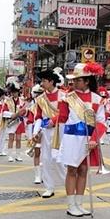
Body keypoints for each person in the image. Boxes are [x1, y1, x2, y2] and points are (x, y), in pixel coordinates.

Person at [57, 63, 106, 216]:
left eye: (78, 80)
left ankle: (79, 203)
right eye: (74, 80)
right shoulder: (67, 98)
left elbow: (101, 122)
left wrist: (94, 139)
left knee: (83, 170)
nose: (74, 82)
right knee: (72, 170)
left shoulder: (98, 99)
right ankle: (71, 205)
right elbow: (62, 120)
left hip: (88, 139)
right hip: (71, 138)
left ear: (87, 81)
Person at [33, 68, 67, 198]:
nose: (42, 84)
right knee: (46, 159)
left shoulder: (64, 95)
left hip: (60, 129)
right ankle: (49, 187)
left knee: (59, 159)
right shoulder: (40, 99)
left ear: (51, 81)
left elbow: (66, 114)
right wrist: (35, 132)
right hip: (46, 131)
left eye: (44, 81)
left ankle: (68, 184)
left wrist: (54, 120)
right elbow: (38, 116)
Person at [26, 84, 45, 184]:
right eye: (37, 94)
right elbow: (30, 122)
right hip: (36, 132)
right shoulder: (32, 108)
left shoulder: (47, 105)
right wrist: (31, 137)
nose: (39, 96)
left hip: (47, 132)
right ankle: (37, 176)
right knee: (37, 154)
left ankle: (45, 175)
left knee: (46, 156)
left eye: (41, 94)